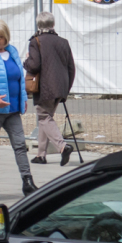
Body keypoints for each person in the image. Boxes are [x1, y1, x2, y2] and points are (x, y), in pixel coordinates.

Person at [0, 19, 36, 198]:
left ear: (6, 38)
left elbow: (20, 78)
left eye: (0, 36)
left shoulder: (12, 52)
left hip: (12, 110)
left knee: (20, 145)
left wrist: (24, 99)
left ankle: (27, 182)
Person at [22, 11, 76, 166]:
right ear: (53, 24)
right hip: (60, 87)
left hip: (45, 87)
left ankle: (62, 146)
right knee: (46, 118)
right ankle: (41, 155)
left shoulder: (36, 41)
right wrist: (66, 89)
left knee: (44, 117)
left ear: (39, 25)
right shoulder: (63, 42)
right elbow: (71, 67)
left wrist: (26, 61)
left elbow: (34, 65)